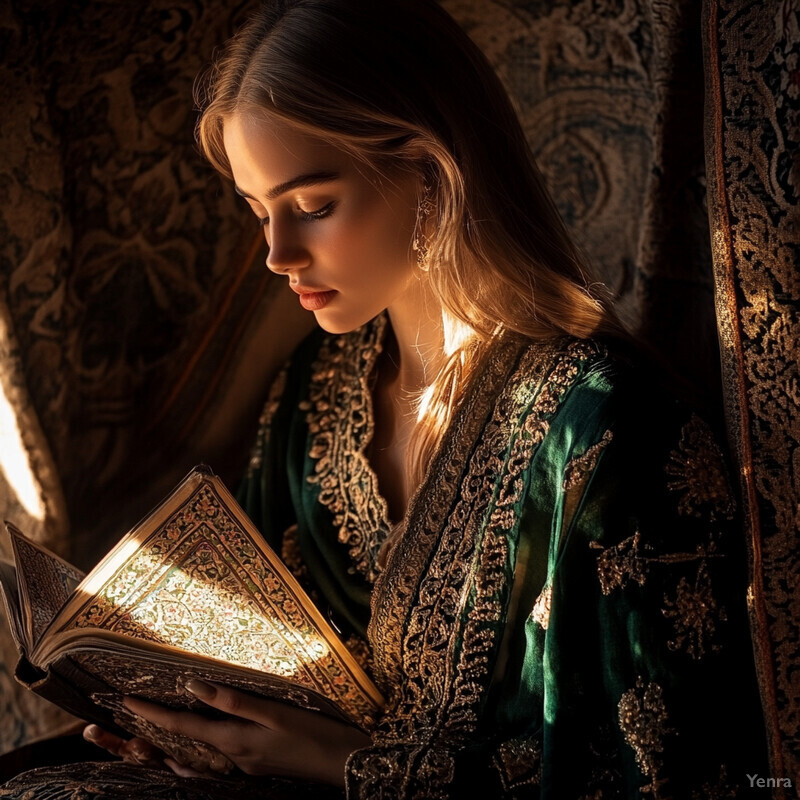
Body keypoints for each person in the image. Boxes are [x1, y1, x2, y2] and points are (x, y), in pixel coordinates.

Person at [1, 0, 767, 798]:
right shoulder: (313, 398)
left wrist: (350, 764)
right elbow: (254, 672)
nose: (276, 255)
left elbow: (676, 773)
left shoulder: (608, 429)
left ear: (431, 176)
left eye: (313, 206)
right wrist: (190, 736)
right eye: (259, 212)